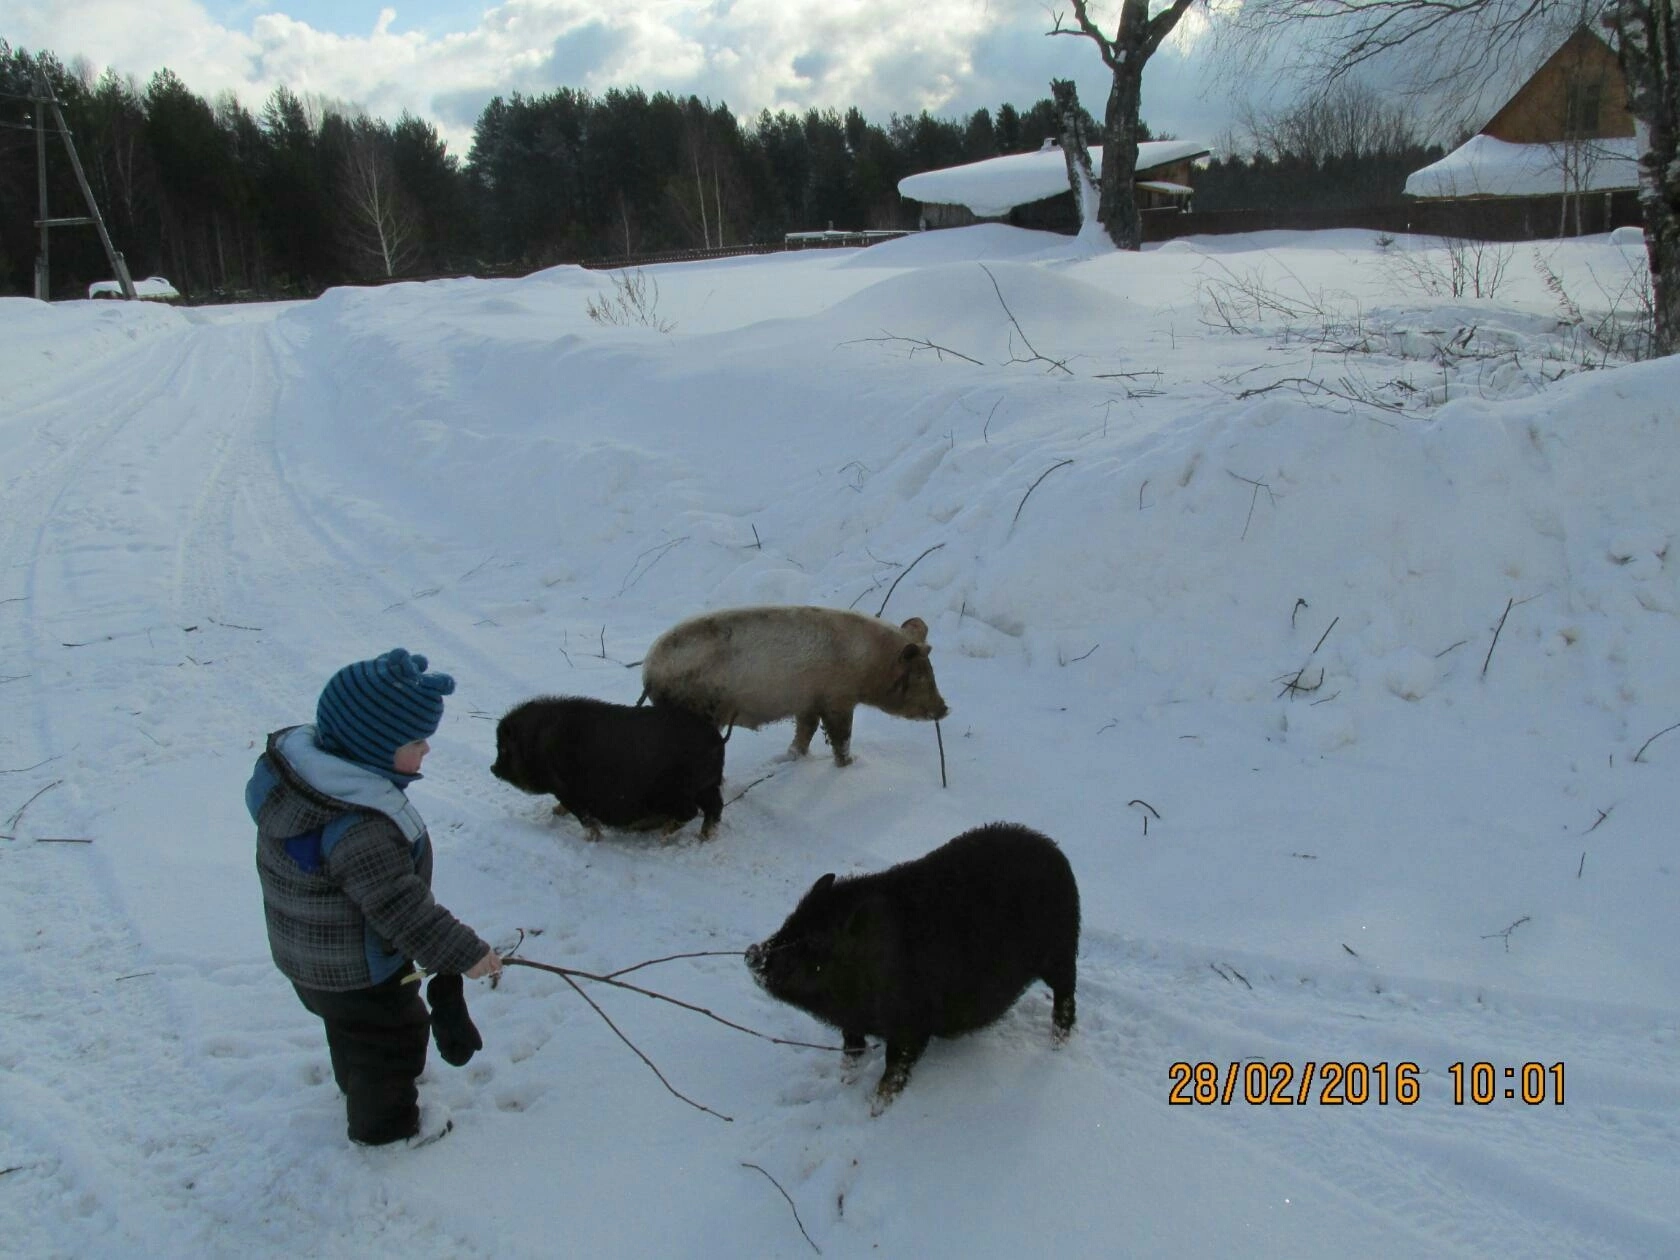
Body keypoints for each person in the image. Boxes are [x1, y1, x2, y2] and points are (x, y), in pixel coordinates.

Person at [247, 647, 501, 1147]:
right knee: (392, 1039)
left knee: (352, 1030)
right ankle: (386, 1130)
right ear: (373, 746)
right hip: (359, 968)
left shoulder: (301, 783)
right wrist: (464, 953)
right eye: (416, 741)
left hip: (311, 956)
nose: (426, 750)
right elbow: (400, 906)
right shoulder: (359, 826)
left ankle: (356, 1083)